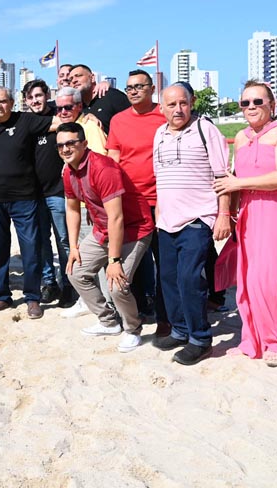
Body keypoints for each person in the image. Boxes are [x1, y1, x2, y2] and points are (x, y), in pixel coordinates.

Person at [213, 81, 277, 365]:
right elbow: (232, 183)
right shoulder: (240, 137)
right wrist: (229, 214)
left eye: (258, 101)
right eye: (245, 103)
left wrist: (239, 183)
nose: (251, 107)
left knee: (266, 280)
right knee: (246, 281)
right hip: (249, 211)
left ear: (271, 105)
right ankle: (252, 339)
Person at [152, 83, 231, 366]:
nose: (178, 109)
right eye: (171, 105)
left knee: (190, 279)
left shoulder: (205, 129)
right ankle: (180, 329)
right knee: (168, 278)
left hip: (197, 218)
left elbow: (222, 176)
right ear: (162, 108)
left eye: (183, 103)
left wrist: (223, 214)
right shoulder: (159, 134)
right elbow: (160, 178)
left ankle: (200, 339)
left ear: (191, 102)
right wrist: (160, 214)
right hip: (167, 221)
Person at [58, 123, 153, 352]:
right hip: (102, 230)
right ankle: (109, 322)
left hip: (133, 229)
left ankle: (133, 329)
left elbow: (117, 218)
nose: (65, 149)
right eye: (60, 145)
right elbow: (72, 209)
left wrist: (114, 260)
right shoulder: (68, 171)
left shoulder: (103, 167)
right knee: (75, 271)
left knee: (117, 285)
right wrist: (73, 247)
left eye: (71, 143)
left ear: (84, 143)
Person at [0, 87, 60, 319]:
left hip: (24, 197)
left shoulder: (25, 120)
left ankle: (32, 298)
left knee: (30, 248)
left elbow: (59, 123)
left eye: (3, 101)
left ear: (11, 103)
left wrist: (86, 118)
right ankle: (2, 296)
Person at [106, 69, 169, 331]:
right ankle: (141, 308)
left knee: (165, 261)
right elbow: (113, 160)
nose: (133, 91)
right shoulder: (119, 120)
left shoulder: (165, 114)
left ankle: (166, 316)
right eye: (129, 87)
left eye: (139, 86)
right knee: (135, 260)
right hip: (131, 202)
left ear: (152, 89)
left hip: (163, 200)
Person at [22, 79, 72, 306]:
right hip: (33, 194)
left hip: (58, 192)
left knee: (64, 241)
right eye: (31, 97)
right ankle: (49, 283)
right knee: (41, 242)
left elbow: (76, 120)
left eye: (39, 96)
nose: (35, 101)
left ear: (47, 96)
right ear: (25, 101)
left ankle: (69, 285)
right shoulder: (25, 122)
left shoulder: (61, 116)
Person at [68, 63, 130, 133]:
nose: (74, 80)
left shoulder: (112, 96)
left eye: (78, 76)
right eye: (70, 79)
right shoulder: (75, 108)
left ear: (92, 78)